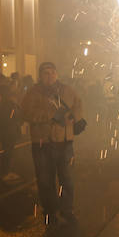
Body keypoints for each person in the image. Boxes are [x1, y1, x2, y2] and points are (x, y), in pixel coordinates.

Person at [21, 62, 83, 223]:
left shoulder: (67, 90)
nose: (50, 76)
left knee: (67, 178)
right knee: (45, 180)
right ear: (40, 76)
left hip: (64, 141)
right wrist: (50, 115)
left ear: (57, 74)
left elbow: (78, 105)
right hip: (42, 143)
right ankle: (50, 210)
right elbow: (26, 113)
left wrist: (76, 118)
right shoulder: (33, 93)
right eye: (46, 73)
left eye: (52, 72)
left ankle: (67, 210)